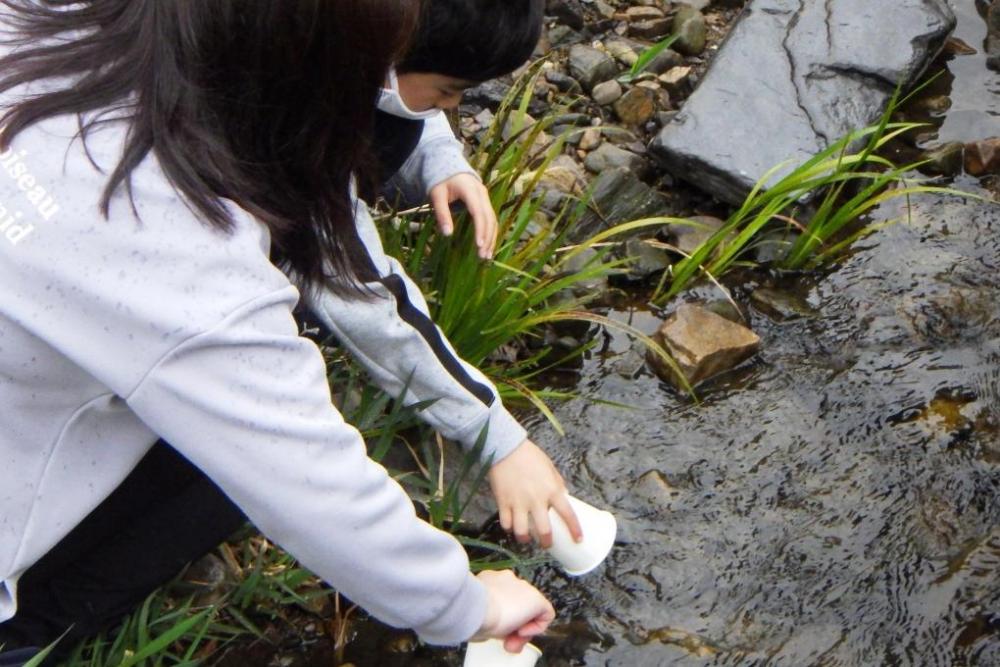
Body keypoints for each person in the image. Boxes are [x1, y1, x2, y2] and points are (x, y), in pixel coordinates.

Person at [0, 0, 578, 664]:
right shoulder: (193, 264)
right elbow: (307, 478)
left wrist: (439, 155)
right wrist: (470, 603)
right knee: (217, 473)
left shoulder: (44, 22)